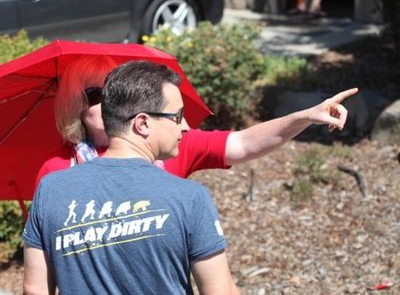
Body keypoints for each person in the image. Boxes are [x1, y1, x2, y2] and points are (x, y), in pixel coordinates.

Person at [23, 61, 239, 294]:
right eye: (177, 116)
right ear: (143, 123)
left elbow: (35, 290)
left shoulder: (51, 190)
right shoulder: (190, 198)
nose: (184, 127)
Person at [35, 55, 358, 186]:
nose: (109, 100)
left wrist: (305, 116)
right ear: (74, 105)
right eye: (96, 94)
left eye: (115, 90)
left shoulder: (169, 143)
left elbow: (244, 143)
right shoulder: (58, 170)